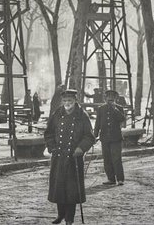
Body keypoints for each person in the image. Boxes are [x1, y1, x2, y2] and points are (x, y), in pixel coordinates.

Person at [44, 87, 95, 225]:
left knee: (72, 190)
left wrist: (80, 148)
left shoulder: (82, 115)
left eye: (70, 100)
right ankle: (60, 215)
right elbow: (48, 133)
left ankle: (69, 218)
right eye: (65, 100)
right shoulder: (57, 114)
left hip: (74, 158)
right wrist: (52, 147)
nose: (67, 103)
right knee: (59, 187)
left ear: (75, 100)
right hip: (59, 157)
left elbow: (89, 136)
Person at [94, 88, 126, 186]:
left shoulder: (119, 108)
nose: (110, 99)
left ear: (116, 99)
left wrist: (114, 109)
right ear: (105, 98)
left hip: (116, 138)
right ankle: (111, 179)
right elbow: (97, 123)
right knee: (107, 159)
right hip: (104, 138)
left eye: (112, 97)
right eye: (108, 97)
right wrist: (94, 135)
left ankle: (120, 179)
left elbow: (122, 119)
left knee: (116, 158)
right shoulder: (101, 109)